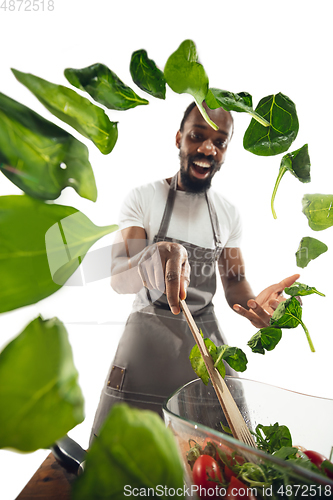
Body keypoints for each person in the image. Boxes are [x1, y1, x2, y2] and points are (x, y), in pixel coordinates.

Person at [89, 102, 299, 441]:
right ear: (179, 139)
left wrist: (256, 306)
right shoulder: (144, 198)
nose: (207, 148)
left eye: (219, 142)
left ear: (226, 150)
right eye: (197, 136)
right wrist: (149, 260)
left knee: (225, 446)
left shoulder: (227, 214)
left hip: (203, 343)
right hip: (146, 340)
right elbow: (118, 277)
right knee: (123, 450)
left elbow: (233, 281)